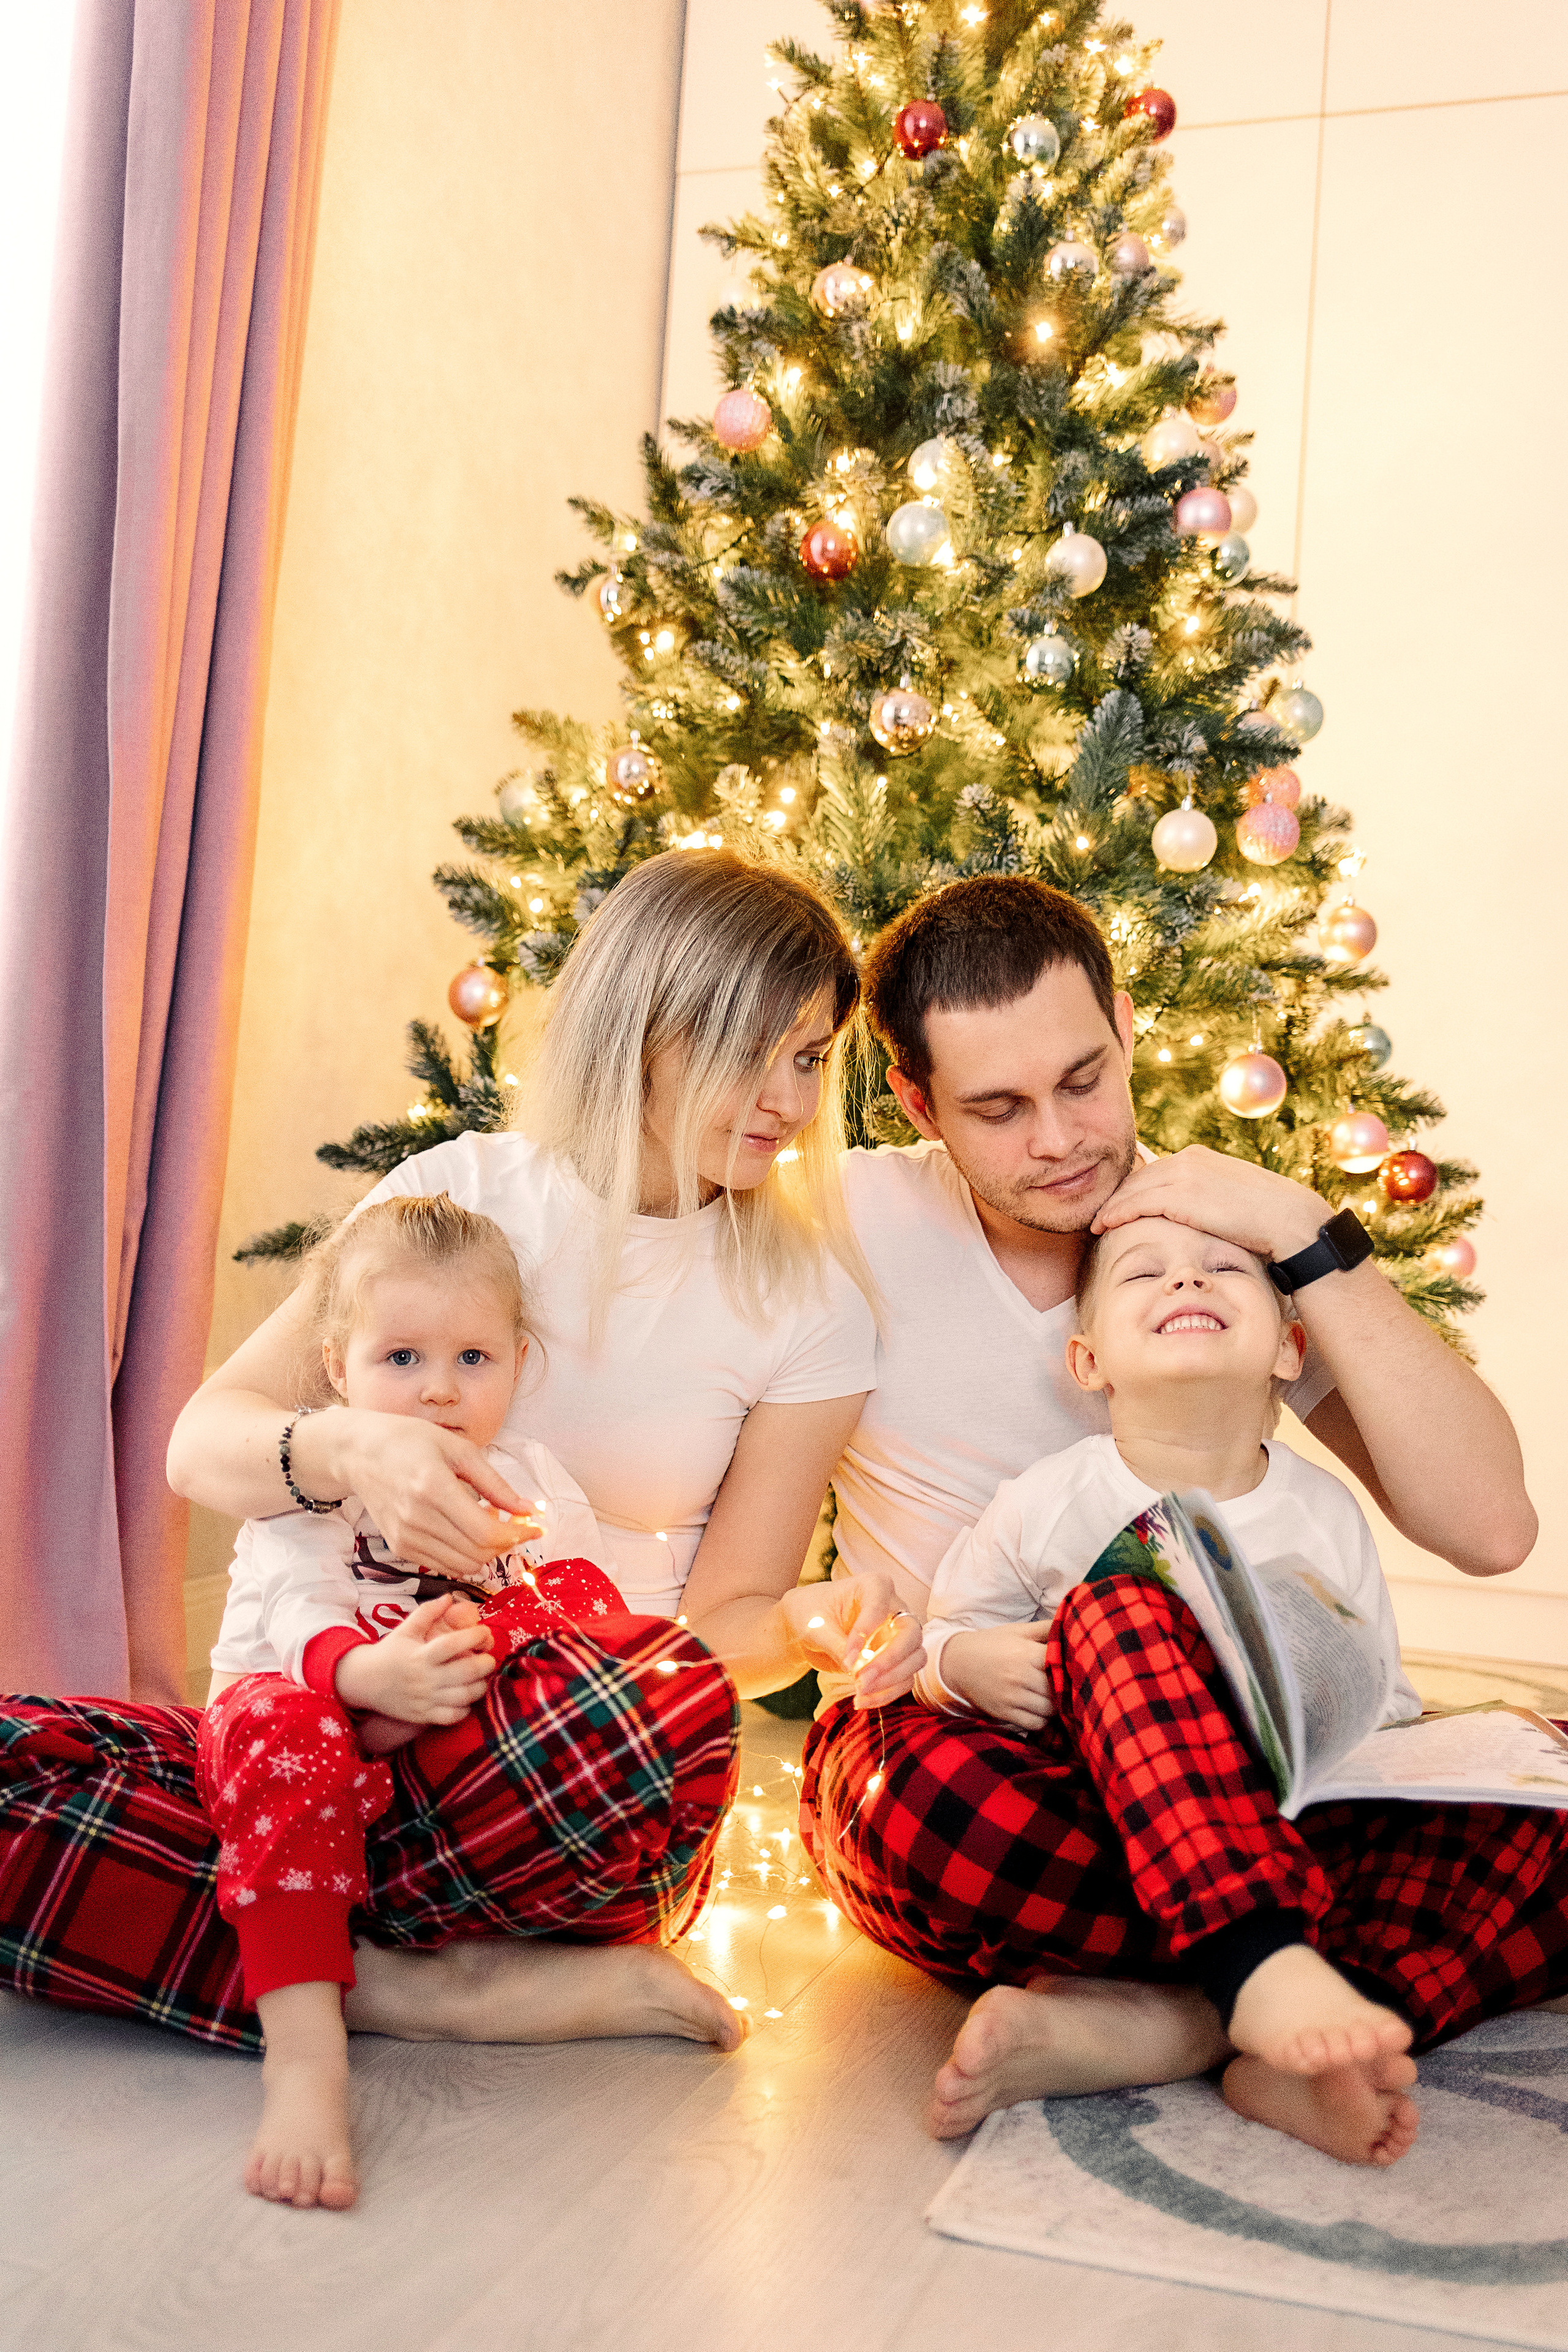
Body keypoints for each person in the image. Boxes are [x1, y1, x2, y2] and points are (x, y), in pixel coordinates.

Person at [0, 851, 923, 2205]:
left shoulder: (806, 1304)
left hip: (558, 1784)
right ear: (648, 1027)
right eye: (755, 1054)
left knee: (649, 1703)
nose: (789, 1102)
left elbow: (721, 1639)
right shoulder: (467, 1194)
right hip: (322, 1748)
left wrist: (799, 1625)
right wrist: (346, 1447)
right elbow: (204, 1444)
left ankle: (270, 1939)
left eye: (810, 1058)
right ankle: (392, 1986)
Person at [799, 874, 1538, 2138]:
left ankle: (1187, 2015)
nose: (1057, 1139)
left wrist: (1304, 1229)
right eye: (996, 1107)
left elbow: (1488, 1529)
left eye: (1083, 1078)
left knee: (1544, 1789)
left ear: (1127, 1027)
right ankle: (1278, 1986)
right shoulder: (843, 1213)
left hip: (1247, 1772)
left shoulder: (1211, 1244)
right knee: (925, 1801)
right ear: (916, 1103)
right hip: (979, 1750)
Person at [918, 1215, 1437, 2168]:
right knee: (1118, 1608)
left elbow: (1384, 1696)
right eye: (1146, 1275)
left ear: (1290, 1348)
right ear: (1087, 1360)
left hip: (1295, 1822)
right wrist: (966, 1664)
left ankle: (1285, 2033)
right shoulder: (1049, 1496)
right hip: (1121, 1823)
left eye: (1223, 1270)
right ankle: (1259, 1968)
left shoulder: (1324, 1509)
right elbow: (943, 1635)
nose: (1188, 1283)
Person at [203, 1190, 634, 2209]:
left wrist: (514, 1627)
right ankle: (306, 2057)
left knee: (570, 1603)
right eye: (402, 1360)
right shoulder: (314, 1493)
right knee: (286, 1717)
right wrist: (367, 1682)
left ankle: (474, 1929)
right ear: (336, 1370)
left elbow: (587, 1618)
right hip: (306, 1730)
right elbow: (301, 1617)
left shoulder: (528, 1483)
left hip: (438, 1759)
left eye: (472, 1360)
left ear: (517, 1366)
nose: (440, 1392)